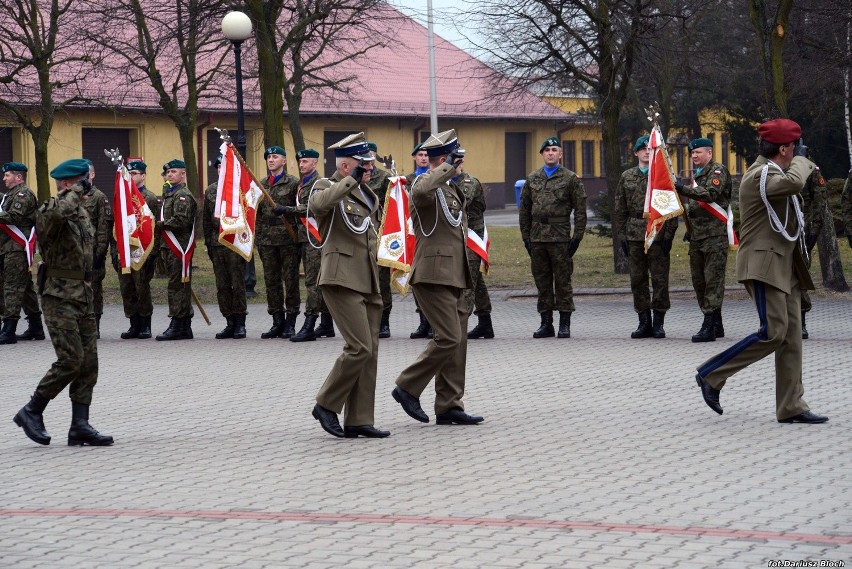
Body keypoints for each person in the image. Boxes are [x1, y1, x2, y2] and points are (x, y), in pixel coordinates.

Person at [694, 119, 827, 424]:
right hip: (764, 265)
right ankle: (711, 374)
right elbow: (795, 182)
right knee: (773, 333)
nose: (797, 152)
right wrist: (805, 161)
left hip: (785, 265)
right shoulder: (759, 175)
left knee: (791, 337)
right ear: (784, 148)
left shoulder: (776, 172)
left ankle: (791, 405)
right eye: (794, 148)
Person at [13, 158, 113, 446]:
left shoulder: (81, 213)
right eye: (84, 181)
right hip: (59, 295)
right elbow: (59, 213)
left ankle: (79, 424)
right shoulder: (49, 209)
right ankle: (32, 410)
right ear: (68, 183)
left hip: (82, 294)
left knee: (88, 363)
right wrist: (74, 191)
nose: (89, 186)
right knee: (70, 360)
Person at [391, 129, 484, 426]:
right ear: (445, 159)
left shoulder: (450, 188)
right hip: (433, 274)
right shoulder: (424, 184)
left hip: (455, 273)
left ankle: (449, 404)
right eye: (457, 158)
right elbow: (418, 192)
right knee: (448, 338)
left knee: (458, 343)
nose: (461, 163)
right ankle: (407, 386)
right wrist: (444, 167)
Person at [309, 132, 389, 438]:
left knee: (370, 351)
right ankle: (326, 404)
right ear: (347, 167)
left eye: (369, 164)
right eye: (363, 163)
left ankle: (359, 419)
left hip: (366, 279)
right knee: (358, 347)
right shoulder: (327, 186)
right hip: (340, 276)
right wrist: (351, 181)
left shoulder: (369, 194)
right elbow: (319, 205)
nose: (370, 168)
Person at [519, 136, 587, 339]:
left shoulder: (570, 179)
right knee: (542, 281)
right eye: (547, 150)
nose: (550, 153)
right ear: (541, 154)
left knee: (563, 281)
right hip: (538, 237)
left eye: (554, 149)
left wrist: (577, 237)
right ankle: (545, 323)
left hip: (560, 237)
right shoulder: (533, 179)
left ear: (560, 154)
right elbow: (524, 210)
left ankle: (564, 324)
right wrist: (526, 237)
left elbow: (580, 211)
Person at [613, 135, 678, 339]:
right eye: (643, 149)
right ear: (636, 153)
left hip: (657, 233)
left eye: (650, 149)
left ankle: (658, 323)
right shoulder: (627, 176)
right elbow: (620, 209)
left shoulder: (661, 176)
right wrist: (622, 236)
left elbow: (672, 206)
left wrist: (669, 235)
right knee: (638, 279)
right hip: (634, 234)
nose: (646, 152)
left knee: (659, 279)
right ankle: (644, 322)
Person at [675, 137, 733, 343]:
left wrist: (681, 188)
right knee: (699, 281)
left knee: (713, 280)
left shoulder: (718, 172)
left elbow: (710, 195)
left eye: (698, 152)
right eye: (692, 154)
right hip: (697, 236)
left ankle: (708, 325)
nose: (694, 156)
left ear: (709, 153)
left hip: (715, 236)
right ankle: (717, 323)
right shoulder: (697, 175)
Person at [289, 148, 334, 342]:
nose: (301, 165)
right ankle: (327, 323)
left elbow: (314, 207)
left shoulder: (320, 183)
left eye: (305, 162)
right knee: (315, 280)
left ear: (315, 163)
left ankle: (310, 323)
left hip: (316, 238)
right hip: (304, 237)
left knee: (313, 281)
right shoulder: (302, 183)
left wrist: (288, 210)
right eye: (300, 162)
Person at [256, 145, 301, 339]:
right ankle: (277, 321)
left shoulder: (293, 183)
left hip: (287, 239)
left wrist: (286, 210)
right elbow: (256, 213)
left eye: (275, 157)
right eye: (268, 157)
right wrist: (258, 237)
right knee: (271, 282)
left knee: (290, 281)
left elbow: (299, 210)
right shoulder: (261, 184)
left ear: (284, 161)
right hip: (267, 240)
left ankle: (290, 322)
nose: (271, 160)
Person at [203, 155, 248, 339]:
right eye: (219, 166)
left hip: (236, 242)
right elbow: (206, 221)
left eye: (225, 166)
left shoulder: (240, 189)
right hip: (217, 243)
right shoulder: (211, 191)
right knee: (222, 285)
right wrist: (208, 245)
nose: (222, 169)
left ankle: (240, 323)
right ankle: (229, 321)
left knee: (237, 284)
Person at [116, 159, 161, 340]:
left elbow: (154, 227)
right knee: (127, 287)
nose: (132, 176)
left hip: (143, 250)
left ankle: (145, 325)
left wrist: (152, 253)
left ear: (143, 176)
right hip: (126, 250)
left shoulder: (149, 197)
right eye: (130, 173)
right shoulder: (122, 196)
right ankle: (133, 324)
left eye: (135, 174)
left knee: (142, 287)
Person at [0, 162, 44, 344]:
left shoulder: (23, 194)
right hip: (8, 247)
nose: (4, 178)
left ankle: (8, 330)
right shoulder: (11, 195)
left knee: (12, 287)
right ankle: (36, 327)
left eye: (7, 175)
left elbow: (13, 217)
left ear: (18, 177)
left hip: (17, 248)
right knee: (24, 288)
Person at [155, 159, 197, 341]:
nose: (170, 175)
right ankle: (185, 326)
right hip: (170, 246)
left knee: (177, 286)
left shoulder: (183, 196)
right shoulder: (170, 194)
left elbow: (181, 221)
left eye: (173, 172)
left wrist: (159, 224)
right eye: (168, 172)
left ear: (182, 174)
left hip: (180, 246)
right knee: (179, 285)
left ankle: (177, 323)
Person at [460, 168, 494, 339]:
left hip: (472, 238)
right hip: (459, 237)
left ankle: (458, 327)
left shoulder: (469, 182)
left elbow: (460, 203)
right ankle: (485, 323)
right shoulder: (445, 183)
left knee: (467, 281)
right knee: (476, 281)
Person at [79, 162, 112, 338]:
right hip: (74, 253)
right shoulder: (72, 196)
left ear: (92, 175)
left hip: (92, 252)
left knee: (94, 290)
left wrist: (100, 252)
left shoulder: (99, 197)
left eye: (85, 174)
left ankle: (94, 326)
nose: (81, 178)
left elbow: (103, 227)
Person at [797, 151, 827, 339]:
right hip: (779, 229)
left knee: (799, 277)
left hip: (803, 231)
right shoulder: (775, 166)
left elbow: (819, 203)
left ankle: (800, 321)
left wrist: (814, 233)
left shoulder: (810, 170)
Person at [407, 142, 434, 340]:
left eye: (426, 155)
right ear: (414, 158)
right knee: (416, 280)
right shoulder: (406, 181)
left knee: (430, 278)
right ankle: (423, 322)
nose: (424, 158)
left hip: (430, 233)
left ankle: (434, 322)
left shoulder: (434, 178)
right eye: (420, 155)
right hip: (411, 235)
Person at [366, 142, 393, 338]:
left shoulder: (383, 177)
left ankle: (384, 322)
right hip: (360, 234)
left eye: (371, 153)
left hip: (379, 234)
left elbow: (394, 201)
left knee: (382, 281)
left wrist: (392, 170)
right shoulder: (356, 177)